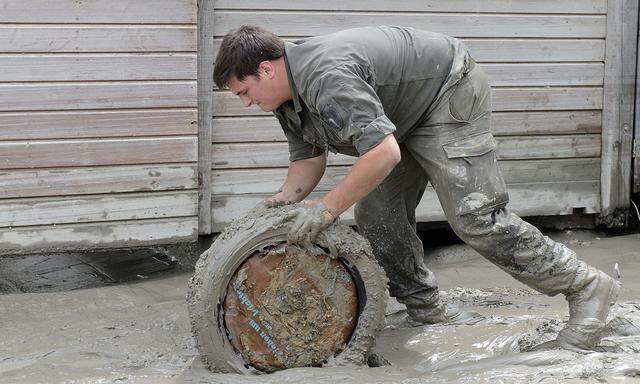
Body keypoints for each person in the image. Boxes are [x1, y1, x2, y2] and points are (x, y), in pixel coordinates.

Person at [213, 25, 620, 351]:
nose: (247, 102)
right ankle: (426, 307)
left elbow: (383, 153)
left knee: (475, 216)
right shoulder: (284, 98)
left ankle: (586, 286)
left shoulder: (325, 75)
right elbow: (307, 163)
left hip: (446, 88)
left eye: (244, 92)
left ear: (266, 69)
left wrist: (325, 210)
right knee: (376, 214)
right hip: (401, 117)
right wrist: (280, 204)